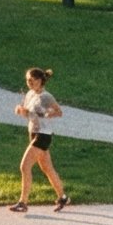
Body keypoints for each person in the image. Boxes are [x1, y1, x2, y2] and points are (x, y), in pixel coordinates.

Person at [10, 66, 68, 212]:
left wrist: (49, 114)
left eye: (31, 80)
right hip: (33, 133)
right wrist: (20, 110)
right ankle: (63, 197)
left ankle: (23, 202)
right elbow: (28, 113)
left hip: (43, 134)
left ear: (40, 80)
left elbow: (59, 112)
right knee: (47, 168)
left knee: (24, 166)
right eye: (27, 80)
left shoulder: (46, 97)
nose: (29, 83)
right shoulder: (30, 94)